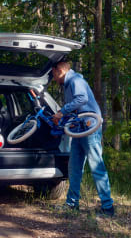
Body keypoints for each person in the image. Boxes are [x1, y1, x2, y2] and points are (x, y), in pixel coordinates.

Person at [51, 59, 115, 216]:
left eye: (53, 74)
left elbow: (82, 99)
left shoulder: (75, 80)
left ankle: (108, 207)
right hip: (79, 128)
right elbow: (77, 106)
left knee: (96, 166)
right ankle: (72, 204)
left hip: (90, 127)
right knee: (74, 167)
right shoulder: (67, 84)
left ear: (60, 71)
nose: (53, 78)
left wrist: (62, 111)